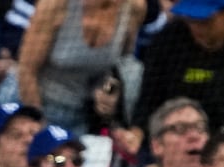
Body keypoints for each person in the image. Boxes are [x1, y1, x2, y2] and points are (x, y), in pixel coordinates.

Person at [130, 0, 224, 144]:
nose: (196, 28)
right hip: (172, 143)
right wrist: (137, 133)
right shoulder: (166, 44)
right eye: (191, 20)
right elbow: (148, 100)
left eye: (205, 21)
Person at [15, 0, 144, 141]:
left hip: (83, 114)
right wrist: (40, 127)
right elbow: (26, 71)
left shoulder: (133, 8)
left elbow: (121, 65)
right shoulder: (54, 5)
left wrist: (108, 91)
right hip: (31, 106)